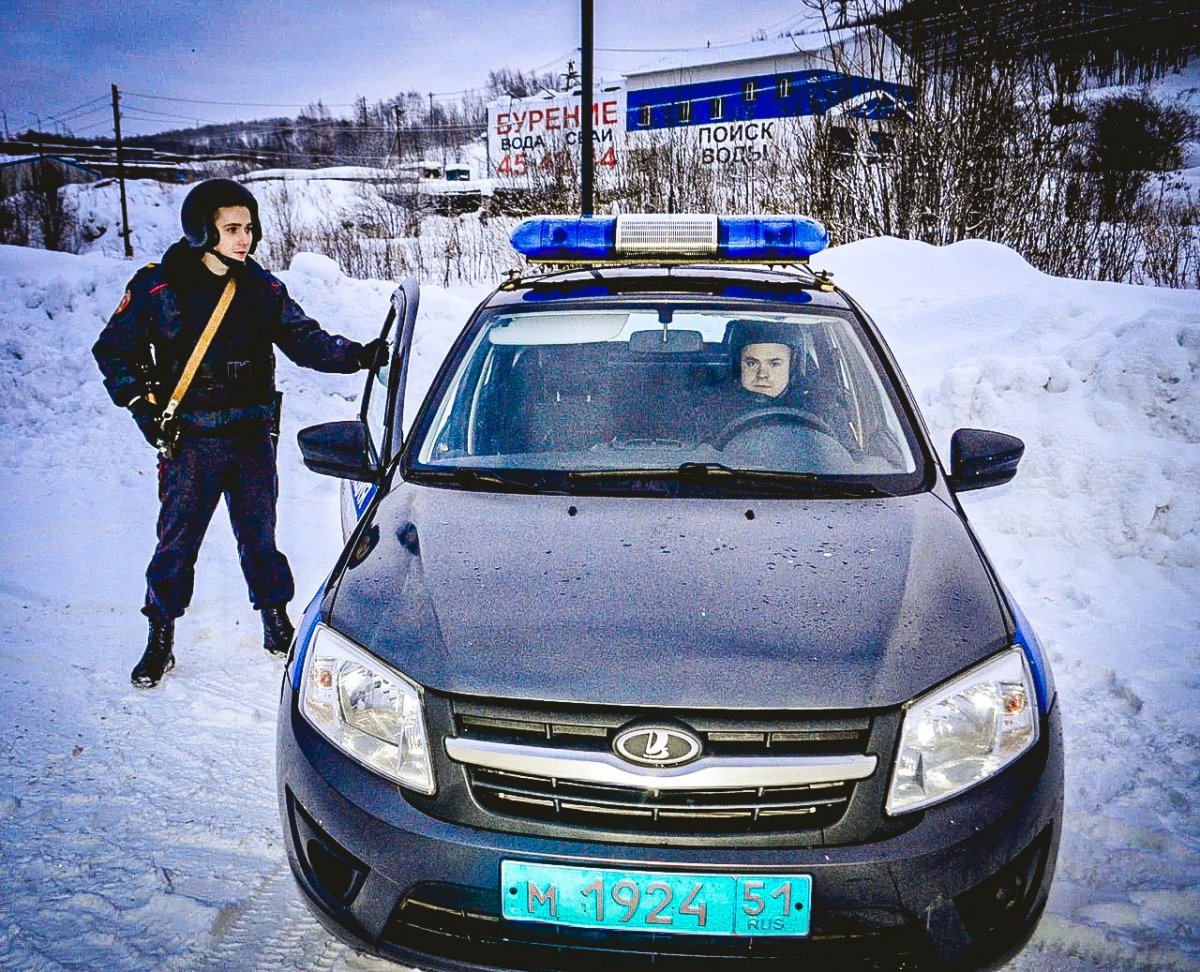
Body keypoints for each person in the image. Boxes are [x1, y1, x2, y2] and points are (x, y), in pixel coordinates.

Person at [92, 178, 388, 688]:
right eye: (231, 229)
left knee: (260, 537)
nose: (244, 238)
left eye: (248, 227)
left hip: (252, 436)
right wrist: (142, 405)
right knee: (177, 543)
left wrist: (359, 355)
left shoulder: (262, 289)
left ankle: (275, 621)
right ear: (202, 231)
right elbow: (113, 350)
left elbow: (306, 341)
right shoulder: (158, 288)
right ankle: (160, 635)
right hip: (191, 440)